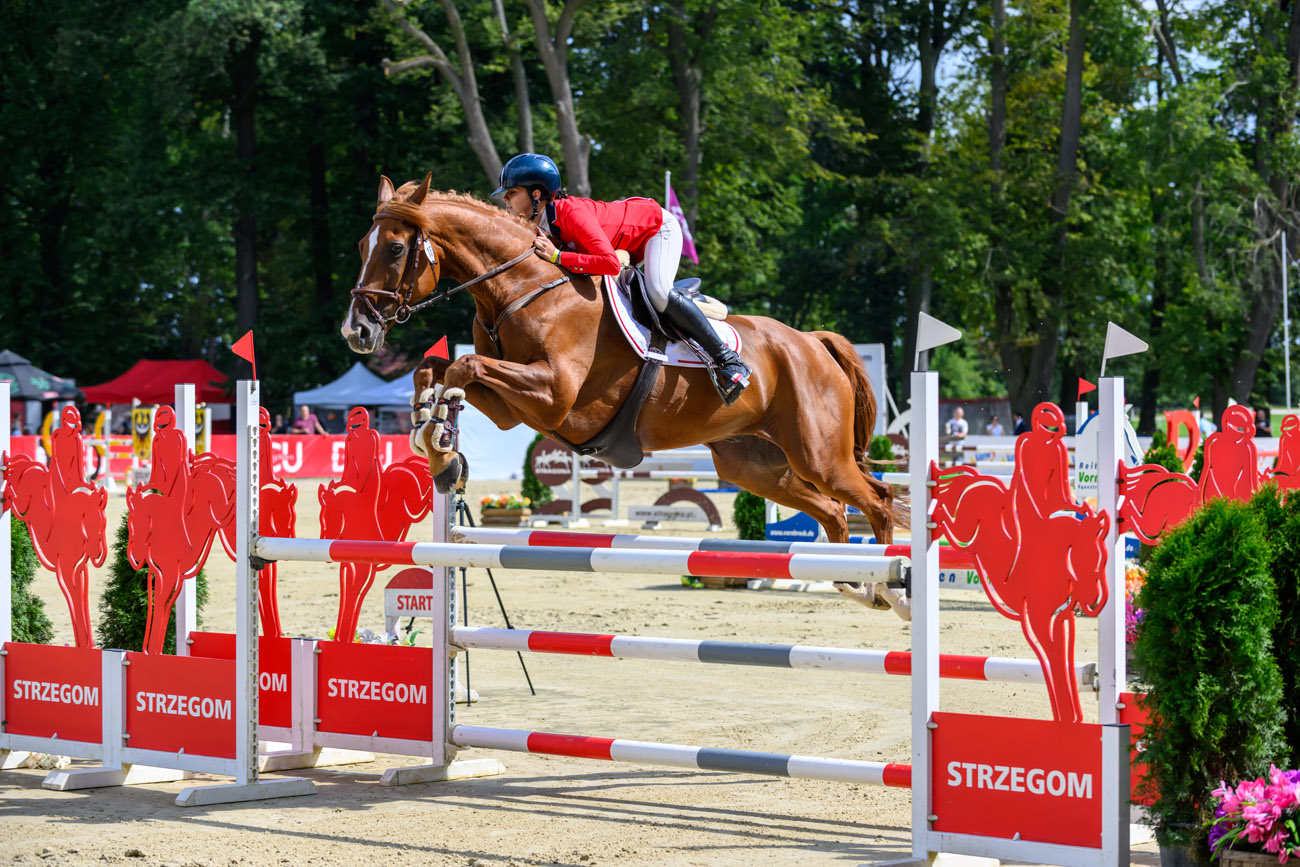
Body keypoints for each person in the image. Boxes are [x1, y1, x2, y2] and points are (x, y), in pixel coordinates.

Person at [492, 152, 750, 405]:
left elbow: (609, 263)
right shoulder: (543, 225)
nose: (505, 198)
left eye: (512, 192)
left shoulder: (569, 213)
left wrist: (558, 257)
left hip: (657, 228)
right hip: (629, 238)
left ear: (536, 194)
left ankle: (728, 360)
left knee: (659, 293)